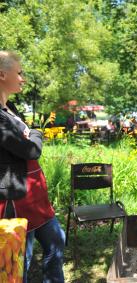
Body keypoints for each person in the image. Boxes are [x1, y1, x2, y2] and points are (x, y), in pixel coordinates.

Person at [0, 50, 65, 282]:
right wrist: (37, 133)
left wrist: (30, 137)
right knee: (18, 261)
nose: (22, 78)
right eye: (19, 73)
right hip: (15, 201)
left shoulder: (12, 109)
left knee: (57, 241)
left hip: (36, 197)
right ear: (1, 75)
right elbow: (30, 149)